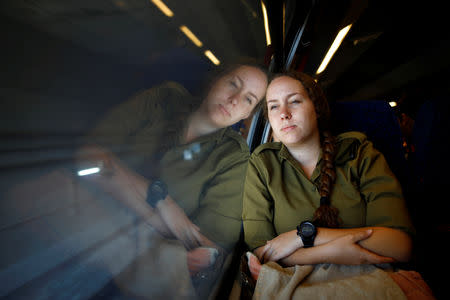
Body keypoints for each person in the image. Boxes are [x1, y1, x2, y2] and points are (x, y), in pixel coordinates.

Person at [75, 62, 268, 298]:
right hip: (79, 233)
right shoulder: (165, 98)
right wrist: (163, 204)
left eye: (248, 99)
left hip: (137, 268)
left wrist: (116, 178)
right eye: (232, 84)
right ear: (216, 80)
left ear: (248, 114)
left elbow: (207, 252)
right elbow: (86, 158)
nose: (234, 100)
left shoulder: (234, 158)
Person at [241, 71, 417, 298]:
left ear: (316, 107)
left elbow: (399, 246)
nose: (283, 114)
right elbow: (262, 254)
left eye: (294, 101)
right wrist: (334, 252)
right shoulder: (263, 163)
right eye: (274, 107)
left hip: (367, 283)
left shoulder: (359, 152)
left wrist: (303, 237)